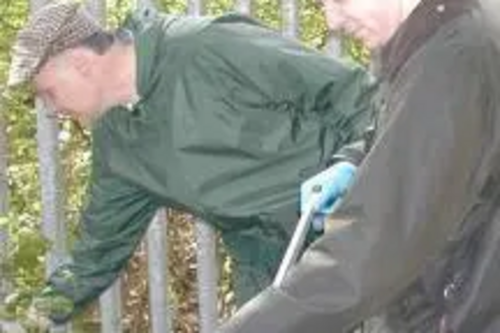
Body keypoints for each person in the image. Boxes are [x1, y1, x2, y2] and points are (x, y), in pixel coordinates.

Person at [6, 0, 376, 327]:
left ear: (82, 63)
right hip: (267, 266)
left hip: (359, 225)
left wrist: (352, 162)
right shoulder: (118, 141)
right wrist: (32, 317)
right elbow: (95, 255)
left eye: (48, 93)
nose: (52, 110)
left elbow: (356, 94)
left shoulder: (208, 46)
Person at [219, 0, 500, 332]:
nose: (332, 20)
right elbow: (413, 126)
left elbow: (373, 251)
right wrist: (355, 160)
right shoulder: (446, 32)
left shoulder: (451, 62)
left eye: (338, 0)